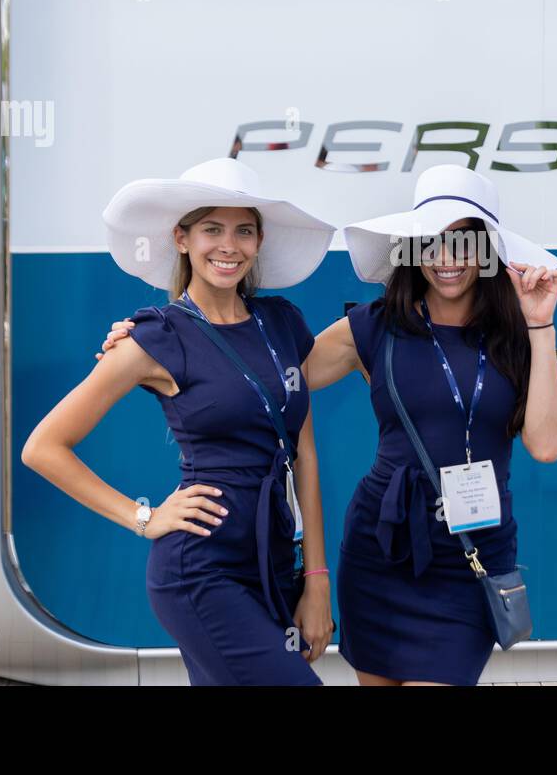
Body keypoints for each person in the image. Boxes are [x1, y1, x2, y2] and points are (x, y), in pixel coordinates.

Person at [100, 164, 557, 685]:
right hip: (381, 551)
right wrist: (155, 344)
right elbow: (268, 378)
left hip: (471, 555)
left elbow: (547, 445)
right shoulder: (376, 326)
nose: (447, 260)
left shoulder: (518, 335)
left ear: (489, 252)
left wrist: (542, 324)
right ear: (411, 248)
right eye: (431, 242)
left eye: (465, 243)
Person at [23, 157, 336, 685]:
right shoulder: (155, 337)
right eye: (211, 228)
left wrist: (317, 579)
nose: (228, 246)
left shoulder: (282, 322)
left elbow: (303, 454)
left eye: (243, 231)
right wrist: (142, 518)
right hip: (201, 567)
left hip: (276, 556)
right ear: (182, 238)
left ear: (259, 241)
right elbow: (43, 447)